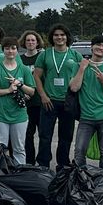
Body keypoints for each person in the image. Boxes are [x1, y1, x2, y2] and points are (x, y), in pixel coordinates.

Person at [32, 24, 81, 169]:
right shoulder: (45, 54)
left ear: (67, 37)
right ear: (52, 37)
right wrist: (43, 95)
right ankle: (43, 165)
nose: (59, 37)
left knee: (66, 136)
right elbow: (36, 76)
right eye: (56, 35)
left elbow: (80, 77)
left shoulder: (75, 55)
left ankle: (63, 165)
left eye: (62, 35)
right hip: (49, 100)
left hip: (68, 101)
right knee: (45, 135)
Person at [70, 35, 103, 170]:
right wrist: (82, 69)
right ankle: (81, 178)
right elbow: (74, 88)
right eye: (98, 45)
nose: (101, 48)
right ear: (91, 47)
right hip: (86, 117)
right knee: (79, 151)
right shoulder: (79, 66)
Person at [0, 37, 36, 164]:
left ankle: (20, 171)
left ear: (17, 50)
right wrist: (8, 90)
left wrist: (20, 85)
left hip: (19, 115)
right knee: (1, 147)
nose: (10, 51)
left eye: (13, 48)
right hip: (0, 114)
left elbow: (31, 91)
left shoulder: (24, 69)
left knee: (19, 148)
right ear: (3, 50)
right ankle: (2, 171)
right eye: (7, 48)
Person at [19, 30, 45, 164]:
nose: (30, 42)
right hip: (26, 102)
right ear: (24, 42)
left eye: (33, 40)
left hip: (40, 102)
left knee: (43, 135)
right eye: (28, 40)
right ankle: (29, 163)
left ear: (37, 42)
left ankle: (42, 163)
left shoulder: (43, 57)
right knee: (27, 135)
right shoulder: (20, 59)